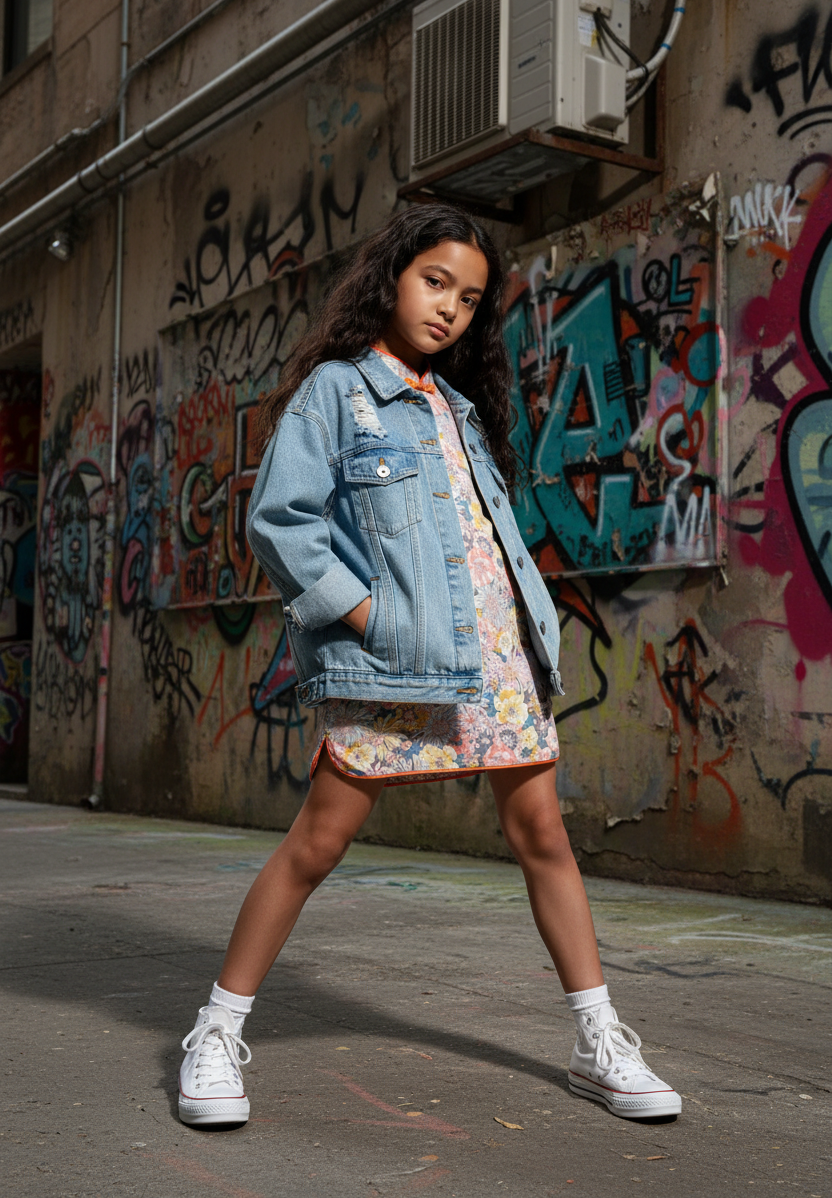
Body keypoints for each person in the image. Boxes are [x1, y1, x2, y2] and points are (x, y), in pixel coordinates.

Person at [177, 203, 682, 1127]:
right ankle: (215, 1031)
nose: (450, 308)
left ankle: (599, 1038)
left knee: (544, 840)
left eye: (470, 298)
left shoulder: (456, 405)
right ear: (393, 277)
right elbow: (279, 521)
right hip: (396, 660)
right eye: (434, 281)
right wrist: (369, 615)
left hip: (496, 656)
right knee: (318, 844)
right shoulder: (337, 390)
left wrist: (527, 635)